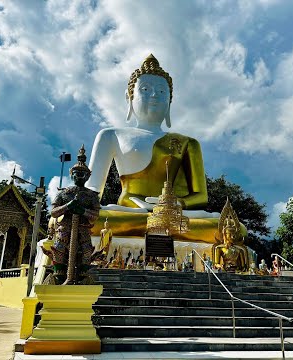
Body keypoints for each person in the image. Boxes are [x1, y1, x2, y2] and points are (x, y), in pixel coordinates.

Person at [86, 54, 220, 242]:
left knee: (226, 227)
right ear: (129, 97)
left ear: (170, 102)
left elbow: (201, 196)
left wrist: (176, 204)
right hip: (130, 211)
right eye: (146, 89)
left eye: (162, 92)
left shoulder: (187, 143)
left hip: (172, 214)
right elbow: (91, 190)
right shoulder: (110, 135)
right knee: (86, 220)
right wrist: (79, 208)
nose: (155, 95)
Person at [43, 145, 100, 284]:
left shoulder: (92, 195)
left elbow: (96, 215)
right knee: (59, 250)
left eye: (82, 174)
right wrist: (68, 206)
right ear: (71, 174)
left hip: (83, 227)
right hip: (65, 227)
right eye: (76, 173)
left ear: (88, 176)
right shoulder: (63, 192)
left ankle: (82, 275)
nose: (79, 176)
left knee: (86, 252)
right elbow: (54, 212)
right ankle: (59, 275)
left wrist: (83, 211)